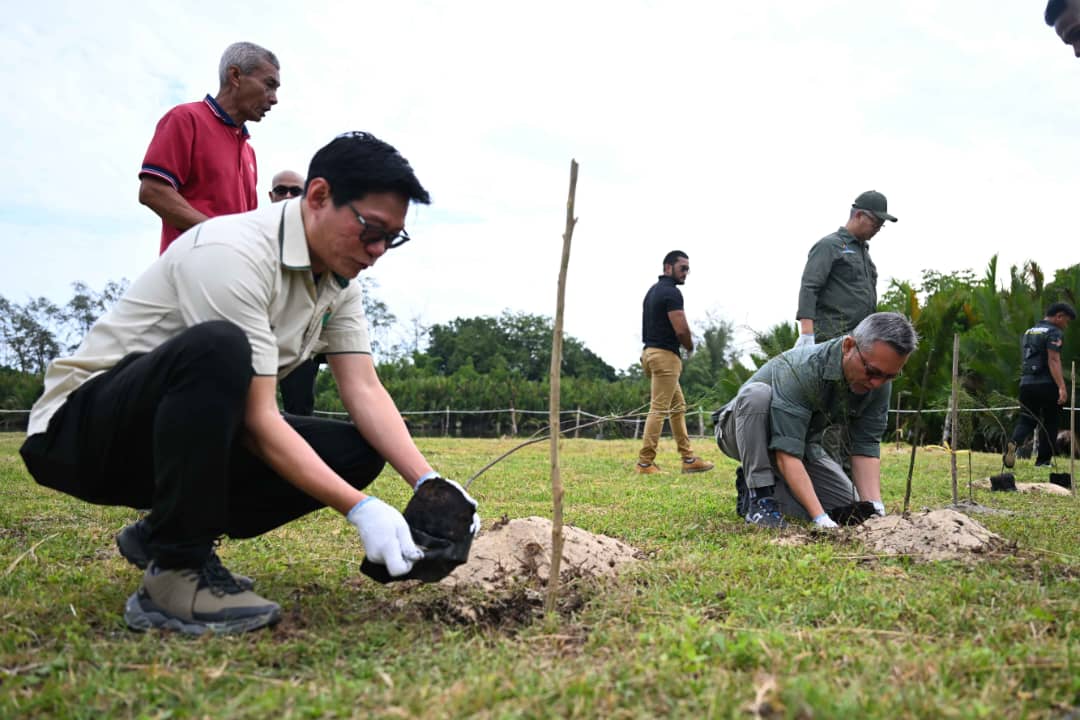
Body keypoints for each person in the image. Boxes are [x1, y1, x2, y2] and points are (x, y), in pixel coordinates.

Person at [20, 132, 479, 636]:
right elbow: (258, 418)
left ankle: (160, 534)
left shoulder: (338, 279)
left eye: (392, 237)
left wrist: (429, 483)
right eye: (370, 229)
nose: (378, 250)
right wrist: (359, 508)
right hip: (82, 432)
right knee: (218, 346)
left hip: (181, 437)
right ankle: (175, 573)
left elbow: (363, 387)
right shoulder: (231, 252)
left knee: (356, 450)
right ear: (319, 196)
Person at [713, 312, 918, 528]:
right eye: (872, 372)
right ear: (848, 346)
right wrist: (820, 519)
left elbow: (865, 446)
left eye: (889, 376)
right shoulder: (805, 368)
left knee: (847, 508)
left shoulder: (879, 380)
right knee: (756, 395)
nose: (877, 383)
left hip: (800, 441)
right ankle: (760, 497)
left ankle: (760, 490)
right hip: (740, 430)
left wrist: (876, 511)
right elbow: (786, 453)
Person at [139, 42, 280, 255]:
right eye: (269, 85)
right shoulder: (186, 119)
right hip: (188, 273)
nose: (274, 99)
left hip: (232, 276)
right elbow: (153, 191)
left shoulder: (249, 153)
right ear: (235, 76)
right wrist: (219, 237)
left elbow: (244, 227)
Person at [635, 250, 714, 475]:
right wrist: (689, 346)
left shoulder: (653, 292)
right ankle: (645, 463)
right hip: (664, 357)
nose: (686, 273)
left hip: (649, 353)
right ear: (668, 267)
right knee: (659, 409)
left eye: (688, 269)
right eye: (683, 268)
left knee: (678, 407)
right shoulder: (671, 293)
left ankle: (688, 459)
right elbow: (681, 328)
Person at [794, 191, 897, 348]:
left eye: (880, 225)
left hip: (859, 339)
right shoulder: (829, 245)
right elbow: (809, 287)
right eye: (875, 223)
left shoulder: (864, 253)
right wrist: (807, 334)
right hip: (831, 338)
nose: (877, 229)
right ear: (859, 215)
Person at [269, 169, 321, 416]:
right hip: (260, 334)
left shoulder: (319, 239)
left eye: (295, 191)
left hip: (301, 340)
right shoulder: (255, 235)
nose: (287, 195)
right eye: (281, 190)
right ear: (271, 196)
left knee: (300, 407)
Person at [1003, 302, 1075, 469]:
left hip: (1026, 383)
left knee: (1027, 420)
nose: (1066, 325)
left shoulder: (1029, 331)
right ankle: (1043, 461)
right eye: (1066, 321)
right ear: (1059, 316)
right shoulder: (1054, 332)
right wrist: (1062, 387)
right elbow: (1053, 359)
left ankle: (1013, 442)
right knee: (1050, 421)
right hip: (1047, 383)